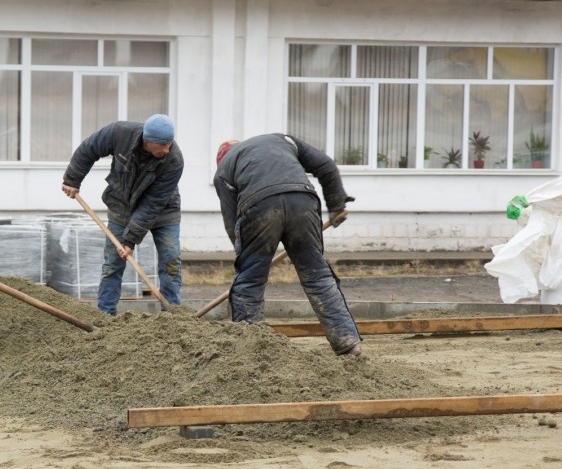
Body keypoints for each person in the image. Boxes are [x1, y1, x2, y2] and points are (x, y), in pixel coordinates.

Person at [213, 134, 362, 356]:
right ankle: (348, 342)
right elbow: (327, 166)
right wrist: (336, 204)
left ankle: (248, 352)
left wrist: (247, 256)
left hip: (259, 206)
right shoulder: (283, 140)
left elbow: (231, 222)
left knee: (250, 281)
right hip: (302, 201)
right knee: (318, 276)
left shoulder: (224, 170)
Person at [61, 114, 183, 315]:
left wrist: (130, 240)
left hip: (163, 211)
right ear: (147, 140)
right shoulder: (120, 133)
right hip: (122, 206)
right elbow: (89, 149)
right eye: (162, 145)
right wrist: (72, 179)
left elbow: (152, 204)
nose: (167, 149)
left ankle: (172, 315)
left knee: (171, 262)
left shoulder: (174, 160)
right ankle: (105, 314)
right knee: (112, 264)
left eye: (169, 143)